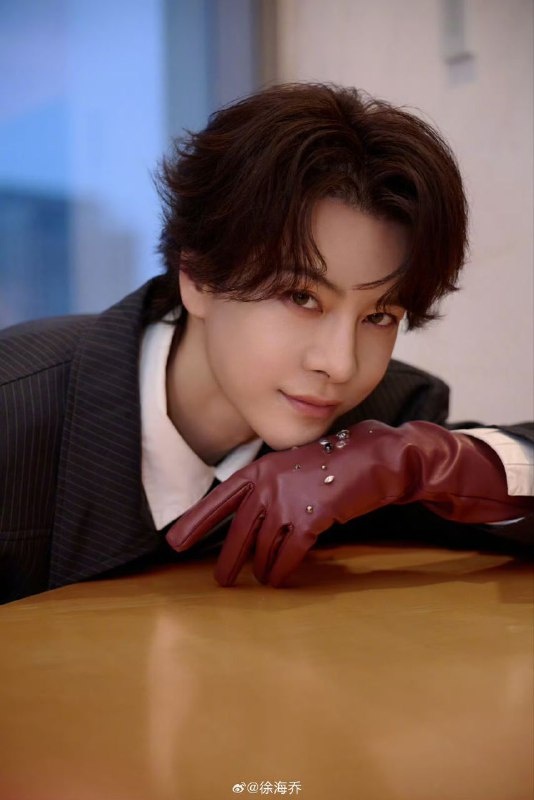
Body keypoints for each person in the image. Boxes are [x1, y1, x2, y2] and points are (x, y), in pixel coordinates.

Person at [0, 83, 532, 603]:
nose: (340, 364)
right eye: (302, 297)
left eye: (379, 316)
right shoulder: (15, 413)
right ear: (198, 277)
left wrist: (425, 463)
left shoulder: (377, 425)